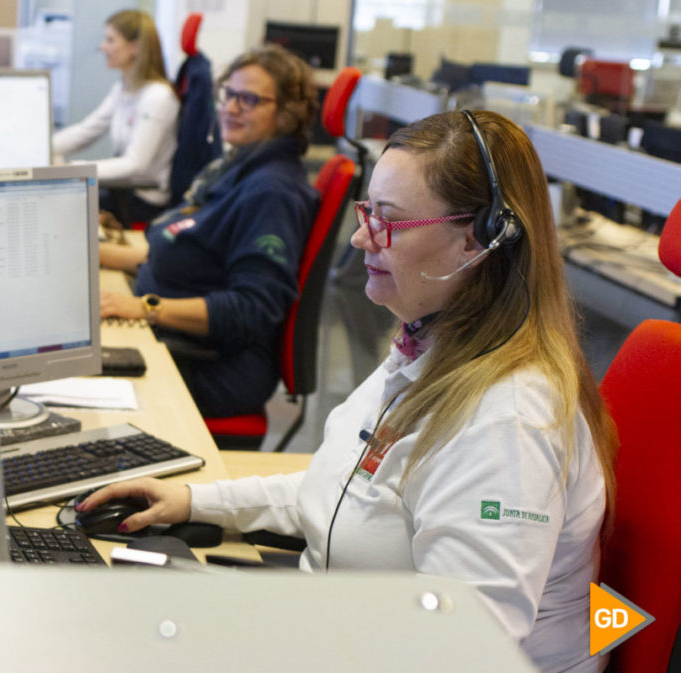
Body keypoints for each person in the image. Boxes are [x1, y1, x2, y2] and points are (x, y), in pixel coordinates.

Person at [82, 110, 619, 673]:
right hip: (343, 625)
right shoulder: (430, 346)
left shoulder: (507, 420)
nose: (362, 236)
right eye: (367, 210)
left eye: (389, 220)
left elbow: (460, 649)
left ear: (476, 240)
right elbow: (347, 491)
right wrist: (196, 501)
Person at [98, 43, 320, 418]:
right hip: (180, 342)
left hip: (212, 366)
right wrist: (94, 251)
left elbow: (251, 309)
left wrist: (142, 307)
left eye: (248, 100)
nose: (230, 108)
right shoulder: (239, 166)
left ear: (286, 113)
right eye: (229, 94)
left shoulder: (271, 192)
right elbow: (186, 253)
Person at [52, 10, 178, 224]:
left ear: (135, 47)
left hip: (142, 201)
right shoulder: (125, 89)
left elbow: (135, 164)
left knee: (59, 208)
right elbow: (87, 130)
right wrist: (44, 148)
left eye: (110, 40)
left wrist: (73, 170)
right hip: (123, 193)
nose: (103, 47)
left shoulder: (158, 97)